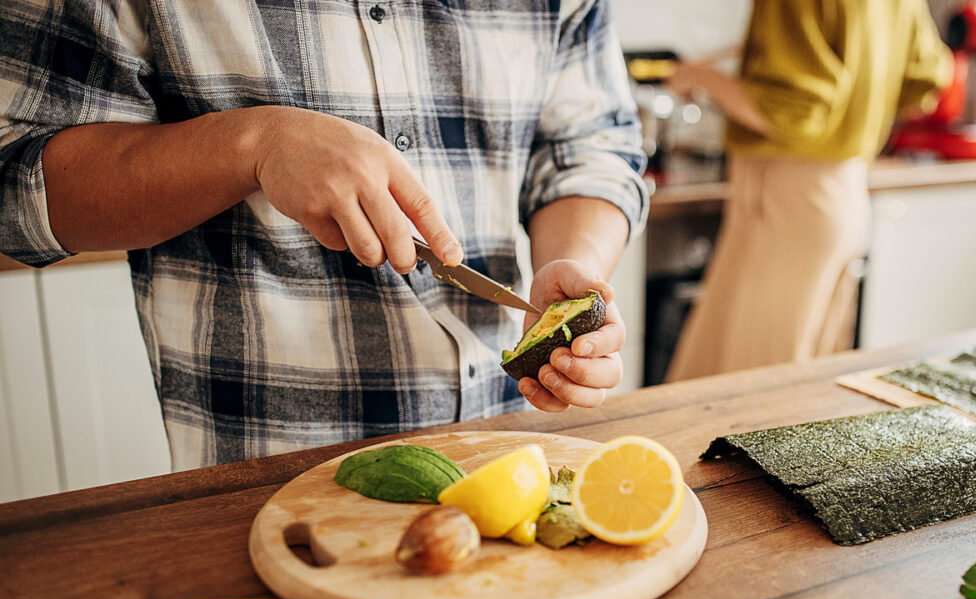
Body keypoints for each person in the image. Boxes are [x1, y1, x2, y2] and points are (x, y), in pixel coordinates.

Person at [0, 0, 647, 470]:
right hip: (265, 480)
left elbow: (591, 147)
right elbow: (17, 182)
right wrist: (252, 144)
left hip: (507, 453)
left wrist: (572, 268)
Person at [663, 0, 952, 381]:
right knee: (803, 386)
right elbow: (927, 79)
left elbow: (793, 113)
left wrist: (698, 78)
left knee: (744, 393)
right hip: (847, 194)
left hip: (789, 203)